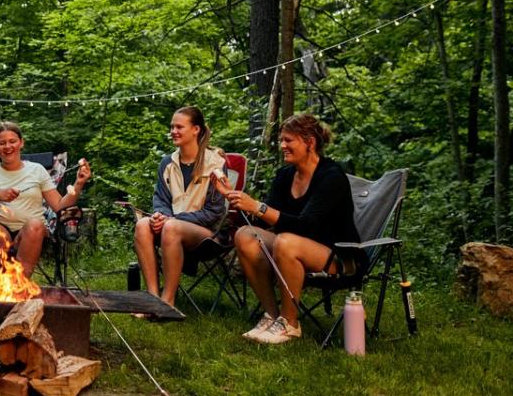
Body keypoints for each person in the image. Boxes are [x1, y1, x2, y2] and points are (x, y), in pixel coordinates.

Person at [217, 113, 359, 344]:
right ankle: (272, 315)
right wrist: (233, 197)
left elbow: (306, 225)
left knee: (285, 241)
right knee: (245, 235)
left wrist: (258, 207)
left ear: (309, 142)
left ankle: (290, 323)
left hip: (337, 256)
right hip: (293, 247)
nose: (282, 145)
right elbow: (264, 222)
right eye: (281, 140)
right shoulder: (285, 175)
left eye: (288, 140)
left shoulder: (331, 176)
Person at [0, 122, 91, 296]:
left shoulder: (37, 171)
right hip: (1, 235)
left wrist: (78, 184)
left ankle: (16, 293)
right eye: (2, 143)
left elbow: (59, 206)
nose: (8, 146)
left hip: (32, 233)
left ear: (21, 143)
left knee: (35, 224)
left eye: (12, 141)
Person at [132, 106, 227, 308]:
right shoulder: (167, 163)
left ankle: (168, 302)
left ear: (196, 130)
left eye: (179, 127)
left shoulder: (215, 164)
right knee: (142, 225)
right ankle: (152, 298)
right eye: (172, 127)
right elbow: (161, 199)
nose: (173, 131)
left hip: (207, 233)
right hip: (171, 225)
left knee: (171, 227)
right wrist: (160, 215)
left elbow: (214, 212)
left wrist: (173, 220)